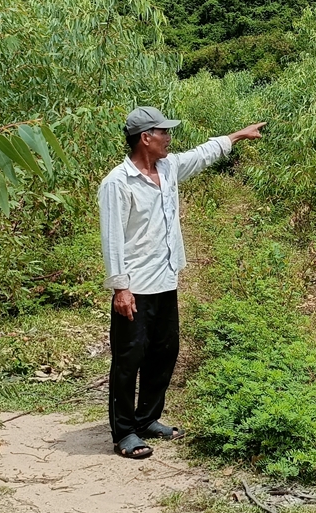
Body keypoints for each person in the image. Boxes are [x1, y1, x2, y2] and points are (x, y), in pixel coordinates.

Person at [98, 107, 266, 459]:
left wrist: (236, 136)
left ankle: (147, 419)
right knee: (130, 358)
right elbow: (112, 238)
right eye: (164, 132)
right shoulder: (118, 182)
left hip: (165, 280)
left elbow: (201, 154)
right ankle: (125, 432)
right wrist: (120, 288)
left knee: (164, 353)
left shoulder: (168, 168)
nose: (169, 138)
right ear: (146, 138)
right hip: (136, 286)